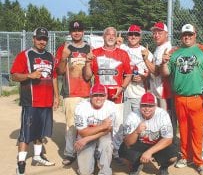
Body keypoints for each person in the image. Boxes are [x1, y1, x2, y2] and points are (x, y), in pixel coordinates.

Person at [160, 24, 203, 175]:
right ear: (181, 35)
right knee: (183, 129)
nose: (187, 36)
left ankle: (200, 161)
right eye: (185, 34)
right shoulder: (174, 52)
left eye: (190, 34)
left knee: (197, 130)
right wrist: (164, 62)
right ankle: (185, 156)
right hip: (179, 97)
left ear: (195, 34)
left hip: (197, 97)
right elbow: (165, 73)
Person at [10, 27, 59, 175]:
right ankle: (21, 164)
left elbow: (54, 77)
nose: (42, 41)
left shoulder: (50, 56)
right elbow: (14, 76)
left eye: (44, 39)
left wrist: (56, 96)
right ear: (33, 39)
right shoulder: (25, 55)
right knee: (26, 134)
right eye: (39, 38)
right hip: (31, 101)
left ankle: (37, 157)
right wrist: (29, 75)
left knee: (40, 131)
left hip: (46, 100)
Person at [83, 26, 132, 159]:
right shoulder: (95, 53)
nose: (110, 37)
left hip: (117, 98)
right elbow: (87, 77)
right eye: (108, 35)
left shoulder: (123, 54)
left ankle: (115, 152)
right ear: (103, 37)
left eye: (113, 35)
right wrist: (87, 63)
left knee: (117, 125)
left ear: (116, 38)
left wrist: (121, 88)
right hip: (99, 99)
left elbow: (128, 75)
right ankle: (99, 150)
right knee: (99, 124)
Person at [55, 20, 92, 166]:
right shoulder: (64, 48)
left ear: (83, 32)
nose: (77, 33)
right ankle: (70, 153)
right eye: (74, 30)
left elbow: (89, 75)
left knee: (86, 125)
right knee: (71, 125)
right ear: (70, 32)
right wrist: (64, 57)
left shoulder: (89, 48)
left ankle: (84, 150)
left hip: (87, 93)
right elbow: (59, 71)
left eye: (79, 30)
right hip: (70, 93)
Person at [119, 92, 177, 175]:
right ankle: (136, 165)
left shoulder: (162, 115)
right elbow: (128, 142)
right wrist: (136, 131)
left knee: (173, 157)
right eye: (144, 105)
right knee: (123, 153)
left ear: (156, 106)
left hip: (157, 144)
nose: (147, 108)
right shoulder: (133, 116)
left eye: (150, 106)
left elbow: (168, 139)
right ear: (139, 105)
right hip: (140, 144)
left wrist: (149, 152)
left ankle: (164, 168)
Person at [74, 83, 116, 175]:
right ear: (90, 96)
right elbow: (83, 132)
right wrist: (102, 126)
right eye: (95, 95)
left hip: (100, 136)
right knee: (85, 173)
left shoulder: (111, 107)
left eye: (101, 95)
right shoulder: (81, 107)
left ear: (106, 96)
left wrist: (87, 139)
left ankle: (104, 174)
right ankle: (94, 154)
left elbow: (108, 129)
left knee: (107, 143)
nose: (98, 98)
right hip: (86, 135)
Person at [141, 22, 177, 138]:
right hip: (157, 90)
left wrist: (145, 60)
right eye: (154, 33)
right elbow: (153, 70)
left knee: (166, 121)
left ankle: (169, 147)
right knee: (159, 120)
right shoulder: (158, 48)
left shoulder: (168, 49)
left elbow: (157, 72)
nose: (156, 35)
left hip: (165, 92)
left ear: (166, 34)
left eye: (159, 33)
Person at [122, 24, 153, 119]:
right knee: (124, 120)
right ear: (127, 36)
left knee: (139, 120)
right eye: (131, 34)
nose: (133, 36)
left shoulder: (146, 52)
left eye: (136, 34)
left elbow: (150, 73)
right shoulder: (121, 48)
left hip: (139, 92)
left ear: (140, 37)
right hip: (124, 92)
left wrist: (143, 77)